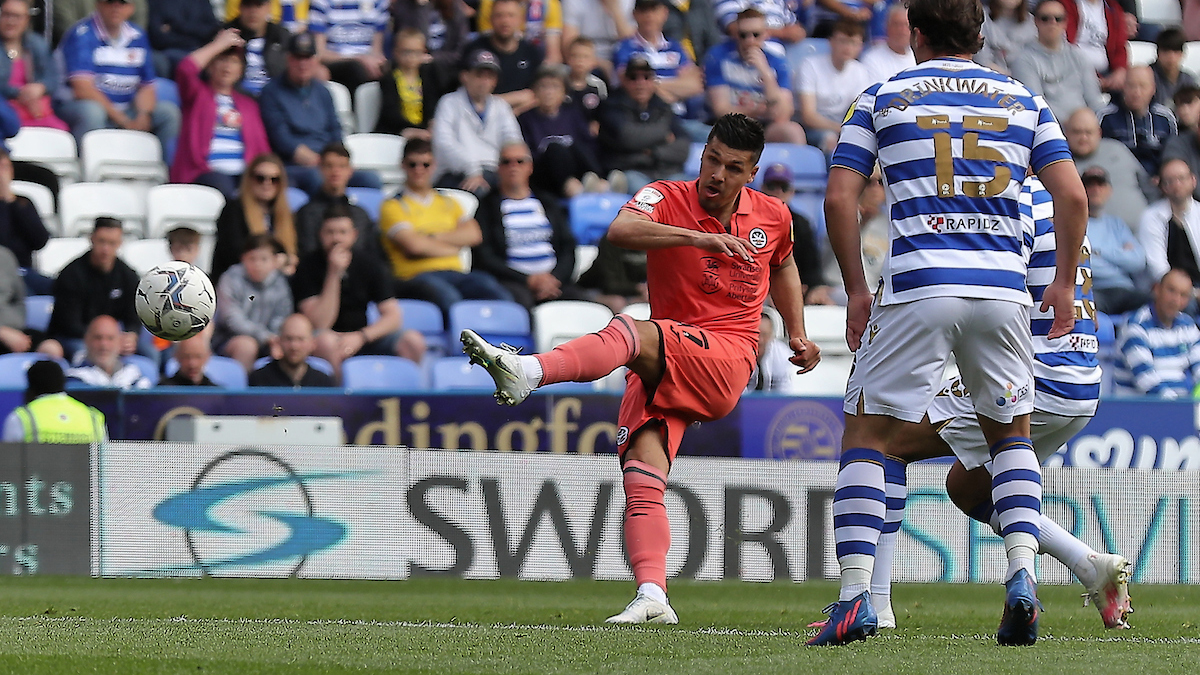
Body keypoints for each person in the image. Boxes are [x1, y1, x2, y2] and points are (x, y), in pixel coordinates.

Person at [461, 113, 820, 624]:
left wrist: (798, 332)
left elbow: (784, 264)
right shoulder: (666, 197)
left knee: (631, 327)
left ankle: (532, 372)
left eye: (733, 167)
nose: (718, 174)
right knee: (642, 479)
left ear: (751, 173)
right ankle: (653, 595)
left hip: (725, 355)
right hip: (668, 356)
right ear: (703, 154)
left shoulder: (774, 216)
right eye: (713, 159)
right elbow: (621, 229)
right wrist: (697, 239)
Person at [812, 0, 1087, 647]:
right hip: (1000, 290)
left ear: (917, 35)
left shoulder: (882, 94)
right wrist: (1065, 281)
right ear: (981, 35)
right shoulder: (1022, 98)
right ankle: (1022, 575)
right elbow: (1071, 195)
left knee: (869, 436)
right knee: (1009, 435)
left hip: (917, 285)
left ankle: (856, 597)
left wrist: (855, 288)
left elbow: (839, 194)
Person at [861, 175, 1132, 632]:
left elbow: (990, 292)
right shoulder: (1056, 200)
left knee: (890, 441)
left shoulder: (1016, 201)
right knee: (968, 487)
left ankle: (876, 606)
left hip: (1036, 376)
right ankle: (1088, 566)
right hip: (1081, 381)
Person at [380, 138, 512, 318]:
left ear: (434, 166)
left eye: (425, 164)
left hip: (454, 273)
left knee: (495, 290)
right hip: (414, 276)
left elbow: (474, 235)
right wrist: (453, 246)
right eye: (413, 164)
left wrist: (429, 238)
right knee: (450, 298)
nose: (419, 170)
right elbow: (414, 246)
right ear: (403, 166)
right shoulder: (393, 205)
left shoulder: (449, 202)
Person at [292, 202, 426, 373]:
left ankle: (408, 396)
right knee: (325, 341)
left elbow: (393, 317)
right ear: (320, 235)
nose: (336, 239)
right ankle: (340, 397)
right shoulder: (308, 266)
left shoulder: (369, 264)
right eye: (330, 232)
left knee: (412, 341)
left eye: (342, 232)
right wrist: (334, 274)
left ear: (354, 235)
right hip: (328, 336)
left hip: (362, 336)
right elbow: (320, 323)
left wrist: (361, 337)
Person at [259, 31, 381, 196]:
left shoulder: (323, 91)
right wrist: (320, 162)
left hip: (327, 163)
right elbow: (282, 139)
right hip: (294, 165)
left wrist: (338, 162)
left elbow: (335, 129)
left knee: (370, 180)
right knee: (317, 178)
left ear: (315, 60)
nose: (303, 64)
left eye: (308, 57)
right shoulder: (271, 92)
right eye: (297, 58)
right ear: (288, 59)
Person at [55, 0, 181, 152]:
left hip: (125, 109)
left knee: (168, 114)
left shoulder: (138, 36)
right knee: (92, 112)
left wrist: (143, 115)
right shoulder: (81, 34)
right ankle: (87, 167)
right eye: (110, 2)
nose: (116, 8)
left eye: (122, 3)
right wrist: (123, 119)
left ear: (131, 8)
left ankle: (169, 171)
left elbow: (147, 86)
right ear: (98, 4)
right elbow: (83, 89)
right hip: (79, 106)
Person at [472, 141, 587, 308]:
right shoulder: (487, 207)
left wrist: (554, 279)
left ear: (530, 167)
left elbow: (567, 247)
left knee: (587, 306)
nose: (513, 166)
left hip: (553, 282)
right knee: (520, 303)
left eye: (520, 161)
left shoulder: (548, 203)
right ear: (498, 168)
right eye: (506, 162)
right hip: (512, 283)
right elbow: (485, 257)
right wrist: (528, 280)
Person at [172, 28, 272, 199]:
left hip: (244, 175)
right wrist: (217, 45)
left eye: (233, 61)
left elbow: (262, 149)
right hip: (206, 173)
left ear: (241, 70)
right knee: (225, 187)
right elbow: (185, 69)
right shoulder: (196, 95)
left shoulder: (249, 105)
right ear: (210, 65)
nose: (227, 66)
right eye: (222, 59)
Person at [703, 8, 805, 145]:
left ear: (766, 34)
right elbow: (720, 110)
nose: (749, 41)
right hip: (729, 125)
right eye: (743, 35)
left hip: (763, 127)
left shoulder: (777, 62)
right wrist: (756, 111)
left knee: (792, 131)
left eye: (756, 35)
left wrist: (766, 74)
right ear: (735, 35)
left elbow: (783, 114)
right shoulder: (718, 57)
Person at [48, 217, 143, 362]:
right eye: (102, 241)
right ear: (92, 239)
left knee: (150, 352)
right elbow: (69, 324)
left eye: (112, 243)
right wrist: (106, 339)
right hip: (74, 337)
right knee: (83, 353)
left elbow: (134, 315)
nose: (106, 249)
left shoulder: (127, 275)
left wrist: (131, 335)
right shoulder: (71, 275)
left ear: (120, 244)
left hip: (111, 337)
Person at [430, 48, 522, 197]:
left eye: (489, 77)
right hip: (455, 172)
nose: (484, 82)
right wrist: (471, 169)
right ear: (465, 76)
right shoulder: (449, 102)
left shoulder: (501, 106)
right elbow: (443, 144)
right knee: (478, 193)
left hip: (494, 171)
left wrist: (509, 167)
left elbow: (513, 141)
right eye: (479, 75)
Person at [597, 55, 689, 194]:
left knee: (688, 192)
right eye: (633, 77)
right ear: (624, 81)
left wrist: (654, 152)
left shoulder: (663, 107)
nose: (640, 83)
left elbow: (683, 148)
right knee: (648, 196)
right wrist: (663, 135)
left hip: (667, 172)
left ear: (653, 81)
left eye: (646, 77)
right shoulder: (610, 106)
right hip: (631, 172)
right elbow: (628, 137)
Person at [612, 0, 704, 137]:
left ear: (664, 13)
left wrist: (654, 84)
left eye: (654, 10)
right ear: (634, 14)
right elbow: (630, 86)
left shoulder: (676, 47)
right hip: (647, 121)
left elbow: (695, 85)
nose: (649, 15)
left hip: (681, 120)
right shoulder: (624, 49)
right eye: (644, 10)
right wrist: (676, 88)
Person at [519, 65, 607, 198]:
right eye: (543, 86)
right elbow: (528, 153)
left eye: (555, 87)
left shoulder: (573, 114)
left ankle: (599, 181)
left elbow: (588, 144)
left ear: (564, 92)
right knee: (555, 148)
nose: (549, 92)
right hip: (545, 174)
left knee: (577, 145)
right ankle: (572, 188)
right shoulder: (526, 119)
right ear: (535, 91)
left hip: (575, 168)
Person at [1009, 0, 1104, 123]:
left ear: (1065, 23)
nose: (1052, 23)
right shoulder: (1023, 60)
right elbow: (1037, 107)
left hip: (1085, 128)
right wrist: (1074, 124)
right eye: (1045, 18)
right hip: (1049, 129)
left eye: (1058, 19)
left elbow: (1094, 101)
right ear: (1036, 22)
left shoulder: (1079, 56)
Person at [211, 153, 298, 283]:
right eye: (260, 178)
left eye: (274, 179)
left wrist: (288, 260)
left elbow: (294, 252)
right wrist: (272, 262)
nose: (267, 183)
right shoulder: (234, 209)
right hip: (239, 281)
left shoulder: (285, 214)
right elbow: (232, 252)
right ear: (249, 179)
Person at [1114, 268, 1200, 398]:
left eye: (1183, 295)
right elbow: (1146, 379)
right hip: (1138, 411)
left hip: (1179, 408)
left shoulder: (1188, 325)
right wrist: (1180, 409)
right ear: (1157, 289)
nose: (1176, 300)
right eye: (1171, 290)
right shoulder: (1135, 325)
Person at [214, 233, 293, 371]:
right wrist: (265, 336)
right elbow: (232, 319)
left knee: (292, 344)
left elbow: (283, 315)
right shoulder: (230, 279)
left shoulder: (281, 283)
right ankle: (243, 392)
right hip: (229, 339)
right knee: (247, 346)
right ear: (243, 258)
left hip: (272, 339)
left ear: (275, 261)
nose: (257, 264)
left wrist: (275, 338)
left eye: (263, 259)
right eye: (252, 259)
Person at [293, 141, 383, 260]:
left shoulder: (361, 214)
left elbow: (370, 254)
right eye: (329, 166)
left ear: (350, 171)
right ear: (320, 169)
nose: (335, 171)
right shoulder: (307, 213)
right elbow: (307, 254)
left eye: (341, 166)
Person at [1067, 107, 1152, 231]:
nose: (1083, 138)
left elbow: (1148, 186)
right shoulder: (1060, 162)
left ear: (1099, 133)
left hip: (1142, 233)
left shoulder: (1117, 149)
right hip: (1094, 241)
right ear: (1066, 132)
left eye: (1088, 132)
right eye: (1077, 132)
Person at [759, 163, 832, 306]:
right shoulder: (748, 221)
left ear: (791, 192)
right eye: (772, 186)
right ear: (762, 189)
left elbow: (812, 268)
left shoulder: (801, 224)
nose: (778, 192)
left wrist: (814, 288)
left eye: (784, 187)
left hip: (797, 290)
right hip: (760, 293)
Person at [798, 19, 873, 154]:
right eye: (843, 41)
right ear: (831, 41)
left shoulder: (860, 71)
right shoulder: (810, 65)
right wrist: (841, 129)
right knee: (830, 139)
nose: (848, 48)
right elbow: (808, 116)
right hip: (813, 127)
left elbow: (860, 110)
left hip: (842, 125)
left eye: (853, 43)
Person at [1082, 167, 1149, 314]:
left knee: (1156, 303)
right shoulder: (1075, 224)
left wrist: (1098, 252)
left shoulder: (1117, 224)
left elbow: (1138, 262)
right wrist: (1121, 257)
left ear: (1109, 190)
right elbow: (1084, 265)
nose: (1095, 190)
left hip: (1125, 289)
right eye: (1089, 185)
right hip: (1093, 290)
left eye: (1100, 185)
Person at [463, 0, 544, 117]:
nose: (505, 21)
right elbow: (472, 98)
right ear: (490, 19)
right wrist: (516, 98)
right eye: (499, 16)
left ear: (520, 20)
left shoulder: (532, 52)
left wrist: (514, 112)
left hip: (524, 118)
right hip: (479, 118)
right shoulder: (474, 49)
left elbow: (535, 97)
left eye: (511, 15)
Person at [1098, 65, 1177, 177]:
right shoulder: (1105, 116)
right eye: (1132, 86)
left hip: (1157, 182)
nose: (1137, 93)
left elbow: (1173, 155)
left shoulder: (1165, 118)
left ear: (1153, 89)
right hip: (1116, 179)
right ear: (1123, 87)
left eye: (1143, 86)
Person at [0, 0, 67, 131]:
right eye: (6, 15)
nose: (11, 21)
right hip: (5, 109)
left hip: (36, 108)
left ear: (27, 20)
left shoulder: (37, 44)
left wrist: (41, 87)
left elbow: (52, 78)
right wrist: (21, 94)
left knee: (61, 132)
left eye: (17, 17)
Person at [2, 360, 106, 443]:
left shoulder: (21, 417)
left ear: (30, 388)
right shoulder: (93, 416)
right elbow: (106, 463)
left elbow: (8, 464)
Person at [374, 27, 446, 140]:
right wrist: (411, 129)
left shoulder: (428, 77)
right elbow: (390, 113)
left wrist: (432, 122)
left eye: (417, 52)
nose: (411, 57)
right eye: (406, 52)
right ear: (396, 52)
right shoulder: (389, 79)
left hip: (424, 131)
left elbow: (432, 104)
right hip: (396, 131)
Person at [1138, 158, 1200, 286]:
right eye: (1170, 181)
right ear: (1163, 187)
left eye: (1182, 178)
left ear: (1193, 181)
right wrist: (1188, 292)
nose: (1177, 185)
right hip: (1168, 288)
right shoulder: (1151, 217)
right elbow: (1157, 267)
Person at [307, 0, 388, 95]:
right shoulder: (322, 3)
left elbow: (377, 50)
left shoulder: (379, 3)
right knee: (355, 69)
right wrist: (359, 59)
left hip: (368, 63)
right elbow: (319, 53)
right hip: (335, 62)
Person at [0, 146, 50, 294]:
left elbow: (40, 240)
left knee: (64, 289)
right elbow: (4, 241)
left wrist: (10, 200)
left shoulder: (23, 203)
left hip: (24, 272)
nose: (3, 174)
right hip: (3, 274)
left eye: (6, 167)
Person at [0, 244, 59, 357]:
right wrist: (2, 332)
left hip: (14, 330)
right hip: (4, 333)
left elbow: (19, 300)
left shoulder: (5, 256)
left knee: (51, 348)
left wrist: (15, 329)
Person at [65, 314, 153, 389]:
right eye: (98, 338)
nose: (104, 345)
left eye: (110, 338)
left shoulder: (134, 376)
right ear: (86, 340)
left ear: (120, 342)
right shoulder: (74, 378)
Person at [249, 312, 336, 386]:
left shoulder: (323, 382)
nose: (294, 346)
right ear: (279, 341)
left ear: (312, 344)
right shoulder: (259, 379)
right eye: (289, 339)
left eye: (301, 339)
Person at [225, 0, 290, 97]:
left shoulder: (282, 36)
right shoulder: (225, 35)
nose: (253, 11)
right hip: (237, 100)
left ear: (269, 7)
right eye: (248, 5)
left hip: (275, 99)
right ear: (240, 7)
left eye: (258, 5)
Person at [1060, 0, 1127, 93]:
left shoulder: (1112, 7)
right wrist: (1093, 77)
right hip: (1074, 73)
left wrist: (1120, 70)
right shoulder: (1066, 4)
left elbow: (1120, 45)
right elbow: (1066, 47)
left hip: (1108, 75)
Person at [146, 0, 221, 78]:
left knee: (222, 64)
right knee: (185, 65)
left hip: (200, 48)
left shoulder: (201, 2)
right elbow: (158, 36)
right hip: (168, 50)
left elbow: (211, 30)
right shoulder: (156, 2)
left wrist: (177, 26)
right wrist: (192, 37)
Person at [476, 0, 564, 64]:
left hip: (535, 61)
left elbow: (553, 55)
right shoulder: (490, 3)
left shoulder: (549, 4)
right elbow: (487, 44)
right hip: (497, 61)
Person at [390, 0, 469, 71]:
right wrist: (422, 7)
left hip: (449, 67)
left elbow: (461, 50)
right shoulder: (403, 6)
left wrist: (434, 58)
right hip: (416, 66)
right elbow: (410, 39)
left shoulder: (453, 6)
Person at [576, 236, 647, 312]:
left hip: (632, 292)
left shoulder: (653, 240)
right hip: (596, 289)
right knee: (617, 303)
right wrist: (639, 288)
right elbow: (610, 284)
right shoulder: (612, 239)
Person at [561, 0, 634, 64]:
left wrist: (615, 9)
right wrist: (602, 64)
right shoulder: (574, 2)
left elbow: (633, 42)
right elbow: (570, 47)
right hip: (588, 60)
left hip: (622, 58)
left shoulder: (631, 3)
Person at [975, 0, 1036, 74]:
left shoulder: (1032, 23)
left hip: (1027, 79)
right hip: (992, 79)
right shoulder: (981, 18)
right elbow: (982, 61)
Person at [745, 311, 799, 393]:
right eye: (757, 335)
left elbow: (784, 390)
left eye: (765, 335)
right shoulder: (737, 352)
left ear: (771, 336)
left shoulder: (781, 353)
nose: (761, 341)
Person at [860, 4, 915, 84]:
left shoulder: (917, 57)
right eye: (896, 24)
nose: (902, 31)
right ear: (886, 27)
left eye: (906, 25)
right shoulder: (872, 59)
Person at [1151, 27, 1198, 111]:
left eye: (1175, 52)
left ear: (1182, 54)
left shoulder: (1189, 80)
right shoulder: (1148, 77)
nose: (1171, 57)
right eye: (1166, 51)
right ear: (1158, 53)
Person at [564, 37, 607, 124]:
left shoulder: (598, 85)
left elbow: (603, 112)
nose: (580, 61)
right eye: (575, 56)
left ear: (594, 62)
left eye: (585, 57)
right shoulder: (561, 83)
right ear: (568, 59)